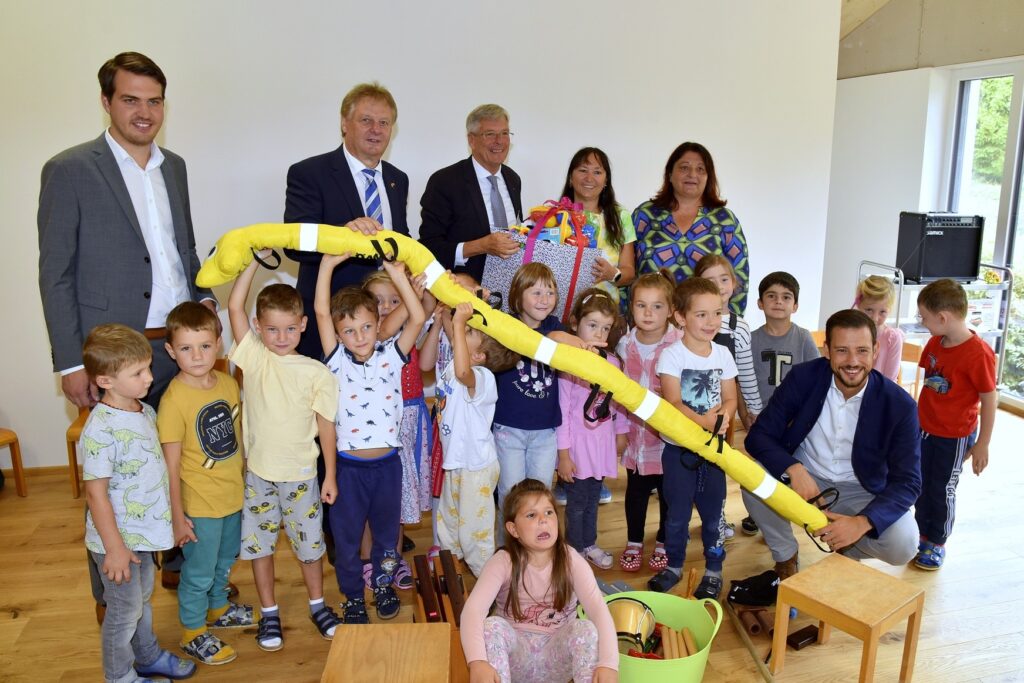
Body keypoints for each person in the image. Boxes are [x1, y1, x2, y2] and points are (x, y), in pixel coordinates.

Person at [37, 50, 216, 612]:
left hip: (177, 346)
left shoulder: (175, 167)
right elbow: (55, 273)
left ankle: (184, 571)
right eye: (131, 99)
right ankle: (112, 597)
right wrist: (72, 362)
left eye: (154, 100)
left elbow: (183, 251)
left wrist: (206, 306)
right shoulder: (70, 169)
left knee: (182, 464)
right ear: (106, 101)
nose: (145, 112)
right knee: (114, 480)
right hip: (114, 359)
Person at [743, 309, 921, 581]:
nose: (852, 361)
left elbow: (909, 481)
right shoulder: (803, 377)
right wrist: (793, 468)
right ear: (826, 350)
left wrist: (862, 523)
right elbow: (758, 436)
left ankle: (847, 543)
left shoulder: (900, 404)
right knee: (753, 482)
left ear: (875, 350)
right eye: (842, 350)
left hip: (862, 489)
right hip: (807, 475)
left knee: (904, 545)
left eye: (862, 351)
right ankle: (786, 554)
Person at [227, 257, 342, 651]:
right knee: (260, 547)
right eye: (272, 329)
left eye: (290, 328)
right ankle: (269, 612)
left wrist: (330, 475)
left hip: (302, 477)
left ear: (303, 325)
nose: (281, 337)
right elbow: (234, 307)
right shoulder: (255, 358)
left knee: (310, 549)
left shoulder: (317, 372)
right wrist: (251, 263)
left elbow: (326, 426)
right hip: (259, 475)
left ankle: (318, 606)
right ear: (258, 328)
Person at [80, 324, 196, 683]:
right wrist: (115, 548)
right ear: (105, 381)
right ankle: (118, 676)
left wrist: (173, 518)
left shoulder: (143, 411)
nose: (149, 378)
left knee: (141, 600)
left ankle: (146, 657)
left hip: (142, 534)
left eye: (148, 368)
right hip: (117, 542)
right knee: (123, 611)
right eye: (138, 373)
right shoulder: (101, 429)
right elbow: (95, 494)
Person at [314, 254, 426, 623]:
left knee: (387, 537)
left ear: (379, 325)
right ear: (338, 334)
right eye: (349, 331)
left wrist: (396, 273)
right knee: (347, 541)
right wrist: (327, 265)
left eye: (366, 327)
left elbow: (417, 317)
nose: (359, 337)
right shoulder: (335, 361)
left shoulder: (391, 356)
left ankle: (382, 585)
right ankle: (353, 598)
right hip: (349, 470)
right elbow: (320, 311)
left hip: (387, 468)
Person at [283, 81, 410, 360]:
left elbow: (401, 240)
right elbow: (294, 244)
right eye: (366, 120)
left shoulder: (397, 180)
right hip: (329, 322)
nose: (376, 129)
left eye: (384, 122)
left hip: (387, 326)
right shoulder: (309, 173)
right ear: (344, 123)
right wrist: (342, 235)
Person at [157, 303, 251, 665]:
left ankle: (218, 608)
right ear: (171, 351)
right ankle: (193, 632)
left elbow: (237, 440)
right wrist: (177, 516)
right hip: (199, 506)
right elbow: (171, 465)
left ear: (218, 344)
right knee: (198, 571)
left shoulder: (227, 384)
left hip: (231, 496)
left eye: (205, 346)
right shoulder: (173, 400)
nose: (197, 356)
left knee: (225, 560)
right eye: (186, 348)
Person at [460, 479, 619, 683]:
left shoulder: (571, 560)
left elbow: (598, 610)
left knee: (585, 629)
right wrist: (477, 661)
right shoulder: (503, 561)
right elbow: (473, 611)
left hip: (556, 660)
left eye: (549, 512)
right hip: (515, 662)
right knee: (491, 626)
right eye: (531, 515)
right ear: (513, 529)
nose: (543, 520)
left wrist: (608, 664)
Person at [648, 278, 737, 599]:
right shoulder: (671, 356)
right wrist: (705, 423)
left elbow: (731, 398)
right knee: (677, 516)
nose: (711, 321)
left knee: (714, 517)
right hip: (678, 453)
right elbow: (673, 402)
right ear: (680, 317)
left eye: (717, 313)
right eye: (701, 314)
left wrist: (723, 417)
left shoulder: (723, 354)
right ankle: (673, 566)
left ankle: (714, 570)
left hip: (713, 454)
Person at [492, 263, 590, 538]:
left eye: (550, 292)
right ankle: (508, 549)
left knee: (541, 494)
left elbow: (568, 345)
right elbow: (525, 341)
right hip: (509, 428)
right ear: (517, 295)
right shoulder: (507, 325)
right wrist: (556, 338)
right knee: (510, 493)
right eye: (536, 292)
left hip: (546, 431)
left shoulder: (556, 326)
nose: (544, 299)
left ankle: (537, 544)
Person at [913, 279, 997, 570]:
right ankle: (921, 534)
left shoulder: (979, 353)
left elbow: (989, 399)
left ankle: (936, 542)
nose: (922, 322)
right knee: (920, 483)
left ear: (942, 318)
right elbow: (928, 385)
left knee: (942, 489)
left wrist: (983, 443)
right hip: (924, 429)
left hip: (954, 436)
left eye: (924, 317)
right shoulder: (934, 342)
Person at [435, 302, 519, 576]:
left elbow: (463, 372)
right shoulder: (458, 361)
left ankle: (491, 582)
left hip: (476, 467)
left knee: (474, 533)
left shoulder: (482, 378)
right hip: (456, 463)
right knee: (449, 522)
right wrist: (447, 308)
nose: (460, 331)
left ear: (479, 355)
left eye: (469, 332)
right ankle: (451, 569)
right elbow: (452, 333)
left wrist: (460, 322)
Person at [632, 141, 750, 316]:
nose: (692, 174)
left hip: (706, 324)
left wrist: (728, 323)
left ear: (708, 177)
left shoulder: (725, 220)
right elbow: (627, 270)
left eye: (700, 169)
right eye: (684, 168)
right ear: (670, 174)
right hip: (651, 322)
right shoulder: (645, 214)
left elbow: (740, 277)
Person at [555, 290, 628, 569]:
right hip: (577, 447)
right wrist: (563, 455)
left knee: (593, 498)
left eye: (606, 328)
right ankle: (573, 551)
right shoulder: (569, 363)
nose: (599, 333)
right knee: (576, 503)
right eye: (593, 325)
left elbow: (619, 401)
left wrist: (621, 432)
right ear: (575, 324)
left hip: (601, 445)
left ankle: (589, 544)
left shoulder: (613, 362)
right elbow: (562, 412)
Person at [743, 271, 819, 536]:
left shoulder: (803, 338)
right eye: (771, 296)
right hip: (762, 418)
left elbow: (817, 380)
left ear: (795, 305)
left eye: (786, 297)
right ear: (760, 303)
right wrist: (746, 413)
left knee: (786, 465)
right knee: (760, 467)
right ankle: (760, 513)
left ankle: (782, 512)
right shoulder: (751, 340)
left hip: (793, 418)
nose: (778, 302)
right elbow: (742, 380)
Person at [616, 273, 680, 572]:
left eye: (657, 306)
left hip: (668, 438)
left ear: (670, 310)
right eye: (641, 305)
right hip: (636, 436)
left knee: (669, 493)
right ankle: (634, 541)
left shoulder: (679, 345)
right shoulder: (625, 344)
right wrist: (619, 431)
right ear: (632, 308)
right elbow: (617, 391)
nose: (648, 313)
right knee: (636, 491)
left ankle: (664, 540)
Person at [419, 104, 523, 283]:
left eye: (505, 133)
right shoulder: (445, 181)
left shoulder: (513, 179)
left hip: (510, 286)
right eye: (490, 134)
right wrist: (480, 246)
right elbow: (429, 247)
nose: (499, 141)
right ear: (471, 140)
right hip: (464, 289)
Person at [559, 147, 636, 306]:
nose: (589, 178)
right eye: (583, 170)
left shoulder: (621, 217)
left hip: (604, 310)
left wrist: (612, 274)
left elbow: (629, 272)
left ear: (606, 180)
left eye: (597, 172)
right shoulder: (556, 215)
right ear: (571, 178)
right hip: (559, 307)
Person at [693, 255, 762, 429]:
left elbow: (746, 375)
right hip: (690, 407)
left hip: (725, 410)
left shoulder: (740, 327)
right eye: (710, 281)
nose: (719, 286)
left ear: (733, 282)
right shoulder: (689, 321)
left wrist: (755, 410)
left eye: (724, 279)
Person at [853, 275, 904, 382]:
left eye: (882, 312)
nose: (875, 318)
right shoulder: (849, 333)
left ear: (889, 310)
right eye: (869, 310)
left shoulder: (893, 338)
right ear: (858, 305)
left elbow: (890, 381)